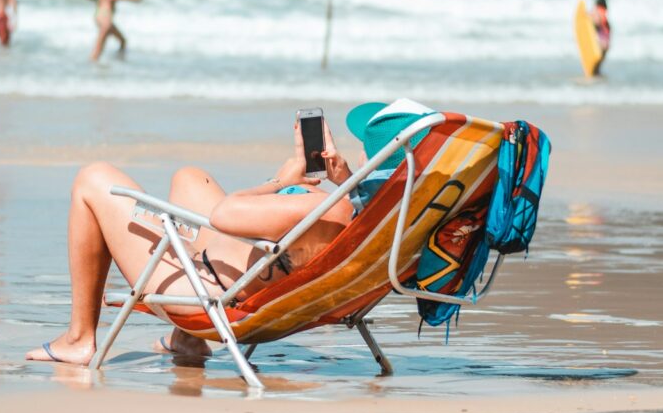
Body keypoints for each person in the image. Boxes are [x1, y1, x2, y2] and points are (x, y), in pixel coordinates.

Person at [25, 99, 433, 365]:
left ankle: (80, 338)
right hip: (262, 290)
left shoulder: (326, 208)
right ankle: (186, 342)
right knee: (190, 177)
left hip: (209, 296)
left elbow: (224, 215)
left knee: (92, 178)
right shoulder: (390, 222)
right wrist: (343, 179)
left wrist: (280, 180)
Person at [592, 0, 611, 73]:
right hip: (606, 42)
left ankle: (595, 75)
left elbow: (597, 22)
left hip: (601, 41)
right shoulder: (604, 12)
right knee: (599, 64)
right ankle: (597, 75)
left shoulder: (599, 11)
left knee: (595, 65)